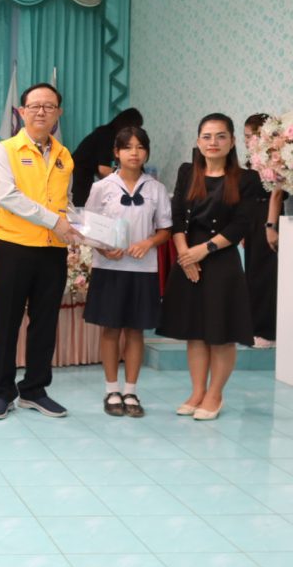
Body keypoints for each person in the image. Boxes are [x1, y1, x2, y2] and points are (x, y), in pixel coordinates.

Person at [0, 83, 81, 420]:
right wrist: (55, 221)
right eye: (35, 106)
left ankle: (35, 390)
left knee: (45, 322)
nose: (42, 111)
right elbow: (7, 196)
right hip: (14, 247)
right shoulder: (6, 150)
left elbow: (65, 201)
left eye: (49, 106)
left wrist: (81, 227)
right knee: (7, 321)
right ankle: (2, 392)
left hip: (53, 251)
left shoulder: (64, 155)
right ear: (22, 111)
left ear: (58, 113)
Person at [158, 113, 258, 420]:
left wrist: (203, 250)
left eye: (220, 136)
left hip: (221, 260)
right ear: (198, 141)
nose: (213, 142)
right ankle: (197, 391)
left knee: (221, 332)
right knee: (196, 331)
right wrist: (185, 255)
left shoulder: (246, 179)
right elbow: (176, 217)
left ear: (232, 141)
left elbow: (241, 225)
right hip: (188, 257)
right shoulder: (188, 172)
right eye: (207, 136)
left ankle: (215, 395)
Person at [82, 127, 171, 417]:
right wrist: (103, 249)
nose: (134, 153)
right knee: (111, 329)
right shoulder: (102, 187)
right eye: (128, 147)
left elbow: (165, 230)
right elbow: (89, 228)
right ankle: (111, 390)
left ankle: (131, 391)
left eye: (140, 147)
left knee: (136, 330)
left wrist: (148, 243)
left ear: (147, 152)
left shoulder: (156, 189)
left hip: (144, 270)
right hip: (109, 268)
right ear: (116, 152)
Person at [242, 113, 285, 346]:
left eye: (251, 136)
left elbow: (276, 194)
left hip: (269, 217)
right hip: (252, 218)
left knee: (266, 276)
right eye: (245, 136)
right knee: (253, 274)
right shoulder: (253, 160)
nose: (247, 141)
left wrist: (271, 226)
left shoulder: (276, 158)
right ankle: (255, 328)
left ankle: (268, 333)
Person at [71, 108, 144, 207]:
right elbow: (103, 170)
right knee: (80, 207)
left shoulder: (106, 133)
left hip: (83, 173)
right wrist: (126, 178)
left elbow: (101, 170)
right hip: (77, 175)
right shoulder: (107, 135)